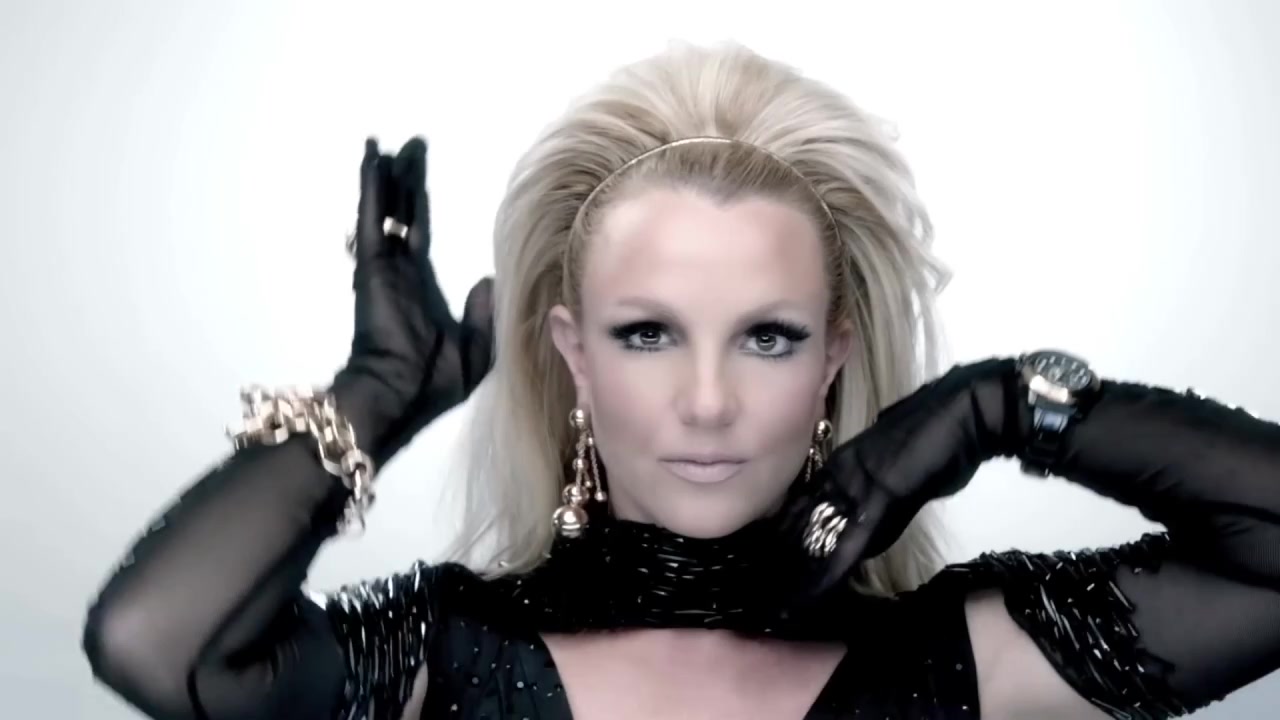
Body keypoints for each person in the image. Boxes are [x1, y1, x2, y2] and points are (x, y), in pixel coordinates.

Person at [81, 42, 1280, 720]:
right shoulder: (449, 652)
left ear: (833, 357)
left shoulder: (960, 656)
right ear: (573, 355)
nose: (707, 402)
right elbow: (154, 642)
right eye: (649, 333)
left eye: (766, 337)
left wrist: (1008, 407)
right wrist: (377, 391)